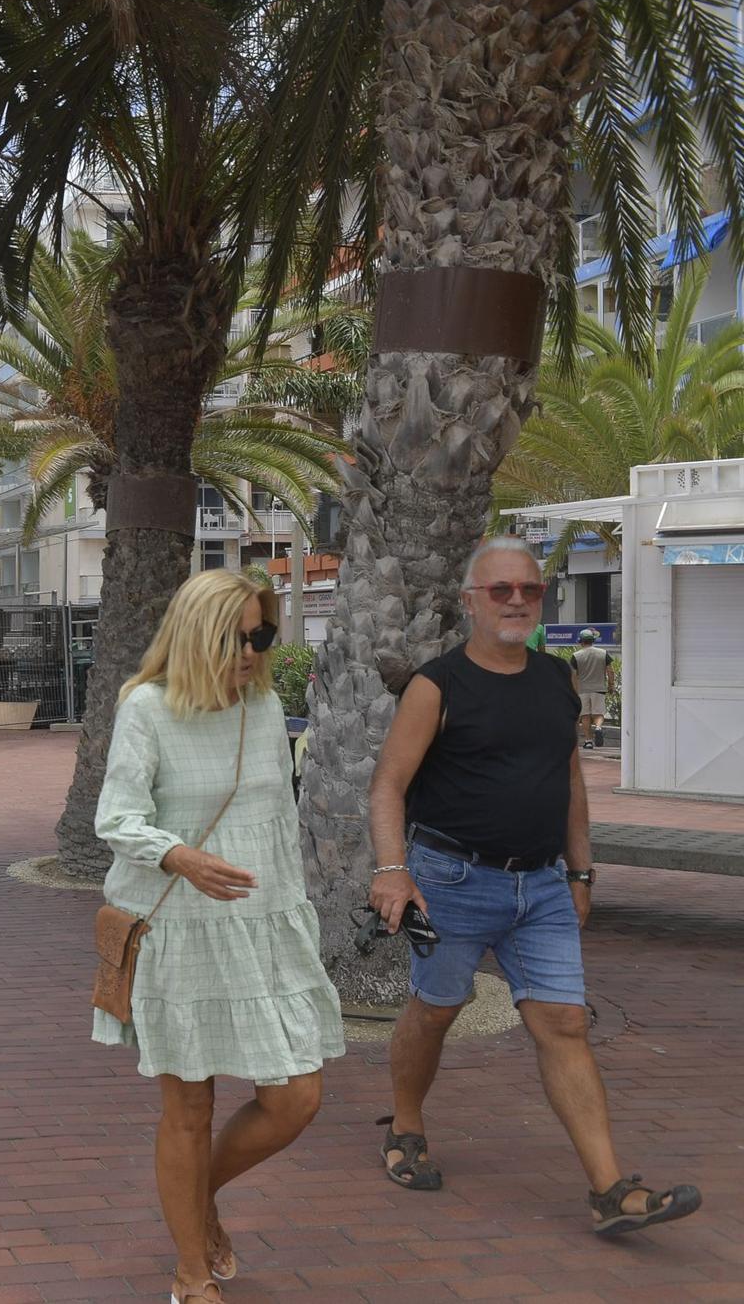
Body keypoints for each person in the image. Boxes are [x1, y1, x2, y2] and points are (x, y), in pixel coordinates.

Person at [368, 537, 700, 1235]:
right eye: (501, 591)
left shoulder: (555, 680)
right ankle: (405, 1123)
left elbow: (571, 781)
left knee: (564, 1022)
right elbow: (388, 784)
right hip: (451, 879)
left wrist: (580, 871)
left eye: (529, 590)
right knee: (435, 1010)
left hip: (543, 887)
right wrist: (392, 871)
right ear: (471, 601)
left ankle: (610, 1191)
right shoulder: (437, 685)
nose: (517, 600)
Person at [93, 570, 344, 1304]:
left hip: (264, 929)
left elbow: (277, 820)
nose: (250, 649)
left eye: (261, 634)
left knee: (297, 1096)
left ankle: (194, 1202)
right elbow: (115, 817)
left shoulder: (264, 706)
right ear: (197, 632)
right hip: (182, 930)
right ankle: (190, 1272)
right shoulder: (147, 708)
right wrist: (179, 855)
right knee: (190, 1111)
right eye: (237, 635)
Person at [571, 629, 612, 750]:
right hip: (599, 688)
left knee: (585, 715)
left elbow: (573, 675)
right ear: (593, 640)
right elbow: (610, 670)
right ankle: (598, 727)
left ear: (581, 642)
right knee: (598, 713)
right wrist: (611, 685)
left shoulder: (576, 656)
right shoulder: (603, 653)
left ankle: (588, 741)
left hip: (582, 689)